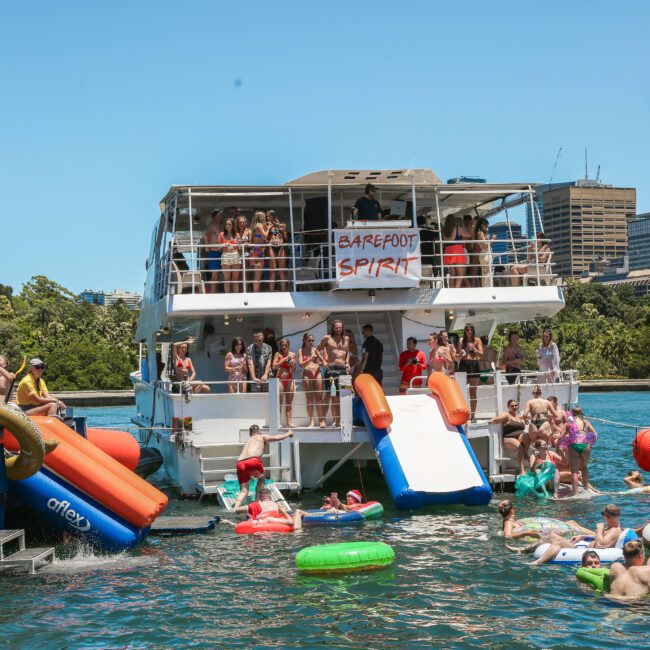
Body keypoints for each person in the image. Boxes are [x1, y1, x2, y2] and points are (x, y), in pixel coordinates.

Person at [531, 504, 624, 566]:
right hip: (582, 547)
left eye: (603, 514)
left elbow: (600, 545)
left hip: (583, 551)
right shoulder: (610, 528)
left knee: (558, 541)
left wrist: (599, 529)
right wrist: (583, 537)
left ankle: (538, 562)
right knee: (551, 536)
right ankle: (527, 549)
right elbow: (602, 540)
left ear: (607, 516)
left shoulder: (614, 530)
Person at [233, 425, 294, 509]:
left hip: (240, 463)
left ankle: (236, 507)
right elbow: (276, 438)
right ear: (259, 431)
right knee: (261, 478)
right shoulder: (261, 436)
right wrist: (288, 433)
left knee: (244, 490)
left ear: (250, 433)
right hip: (253, 460)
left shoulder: (248, 440)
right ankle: (257, 502)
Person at [518, 385, 559, 475]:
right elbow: (556, 415)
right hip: (544, 423)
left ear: (533, 393)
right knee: (545, 447)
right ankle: (547, 468)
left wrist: (526, 420)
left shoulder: (530, 402)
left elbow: (525, 415)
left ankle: (535, 468)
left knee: (535, 447)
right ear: (541, 393)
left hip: (533, 424)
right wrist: (548, 417)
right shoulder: (547, 402)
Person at [559, 405, 597, 497]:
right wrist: (591, 444)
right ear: (581, 412)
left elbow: (562, 436)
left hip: (574, 445)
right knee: (584, 467)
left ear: (572, 412)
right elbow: (595, 434)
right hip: (585, 445)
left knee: (574, 471)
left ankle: (575, 493)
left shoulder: (569, 423)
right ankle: (586, 489)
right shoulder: (585, 422)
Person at [318, 320, 350, 427]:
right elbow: (317, 350)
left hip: (343, 370)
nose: (338, 329)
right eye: (336, 328)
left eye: (340, 327)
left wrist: (347, 363)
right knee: (332, 396)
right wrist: (323, 361)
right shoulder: (327, 338)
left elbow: (347, 352)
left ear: (342, 327)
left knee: (345, 396)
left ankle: (340, 421)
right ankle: (329, 420)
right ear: (333, 328)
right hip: (331, 369)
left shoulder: (346, 338)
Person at [235, 487, 305, 530]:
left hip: (263, 525)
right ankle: (307, 513)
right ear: (270, 497)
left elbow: (237, 510)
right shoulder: (277, 505)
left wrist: (238, 509)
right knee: (297, 512)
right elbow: (289, 518)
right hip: (277, 523)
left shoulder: (257, 505)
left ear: (260, 498)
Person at [298, 332, 326, 428]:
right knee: (309, 399)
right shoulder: (301, 350)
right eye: (309, 340)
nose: (311, 342)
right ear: (304, 340)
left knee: (319, 399)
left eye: (312, 340)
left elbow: (323, 362)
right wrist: (310, 359)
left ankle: (321, 421)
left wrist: (320, 362)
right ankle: (311, 422)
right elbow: (300, 364)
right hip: (307, 373)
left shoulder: (316, 350)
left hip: (317, 372)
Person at [456, 324, 483, 420]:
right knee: (461, 390)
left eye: (471, 330)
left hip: (474, 364)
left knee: (473, 391)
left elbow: (481, 355)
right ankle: (463, 414)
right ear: (465, 331)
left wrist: (474, 349)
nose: (469, 331)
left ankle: (473, 416)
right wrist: (466, 350)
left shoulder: (477, 340)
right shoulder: (461, 340)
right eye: (467, 330)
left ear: (473, 331)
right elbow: (458, 356)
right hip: (463, 364)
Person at [272, 338, 296, 428]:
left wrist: (292, 364)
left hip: (289, 379)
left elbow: (293, 370)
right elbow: (274, 367)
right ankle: (278, 422)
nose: (284, 347)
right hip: (280, 379)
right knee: (280, 401)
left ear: (288, 345)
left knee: (289, 401)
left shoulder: (293, 355)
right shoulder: (278, 354)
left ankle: (289, 422)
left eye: (286, 345)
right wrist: (283, 360)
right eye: (282, 345)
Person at [441, 214, 470, 288]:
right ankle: (456, 290)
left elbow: (446, 240)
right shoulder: (457, 228)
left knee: (453, 274)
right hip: (457, 251)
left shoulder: (444, 230)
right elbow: (468, 235)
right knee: (461, 274)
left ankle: (452, 289)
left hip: (448, 251)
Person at [218, 217, 242, 293]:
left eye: (230, 224)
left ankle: (236, 295)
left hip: (235, 255)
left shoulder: (237, 235)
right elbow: (218, 247)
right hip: (226, 255)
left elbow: (239, 248)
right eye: (226, 224)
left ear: (233, 225)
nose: (228, 226)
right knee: (227, 278)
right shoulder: (221, 234)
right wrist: (223, 244)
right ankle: (227, 295)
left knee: (235, 278)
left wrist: (239, 244)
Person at [202, 208, 224, 293]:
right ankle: (213, 293)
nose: (222, 216)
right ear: (216, 216)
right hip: (213, 252)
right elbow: (205, 235)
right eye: (220, 215)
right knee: (215, 274)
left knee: (217, 274)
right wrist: (207, 247)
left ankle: (216, 292)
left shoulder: (218, 226)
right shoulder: (212, 226)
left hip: (218, 252)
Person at [266, 210, 287, 291]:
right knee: (273, 270)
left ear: (274, 216)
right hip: (271, 246)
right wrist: (268, 229)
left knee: (282, 270)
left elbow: (286, 239)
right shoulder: (266, 226)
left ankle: (284, 290)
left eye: (270, 215)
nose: (268, 217)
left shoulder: (281, 225)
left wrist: (284, 230)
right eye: (267, 216)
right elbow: (265, 238)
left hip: (281, 246)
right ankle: (271, 291)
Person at [249, 211, 269, 292]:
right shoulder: (259, 225)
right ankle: (256, 293)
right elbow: (265, 236)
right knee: (257, 275)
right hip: (259, 253)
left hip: (255, 252)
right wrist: (268, 229)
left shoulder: (253, 227)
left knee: (257, 275)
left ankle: (256, 292)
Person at [475, 218, 495, 287]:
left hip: (485, 254)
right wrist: (492, 240)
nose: (487, 227)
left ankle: (486, 287)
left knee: (486, 273)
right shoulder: (481, 233)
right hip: (485, 254)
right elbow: (485, 244)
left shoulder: (481, 233)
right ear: (482, 225)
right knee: (487, 273)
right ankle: (487, 288)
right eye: (486, 225)